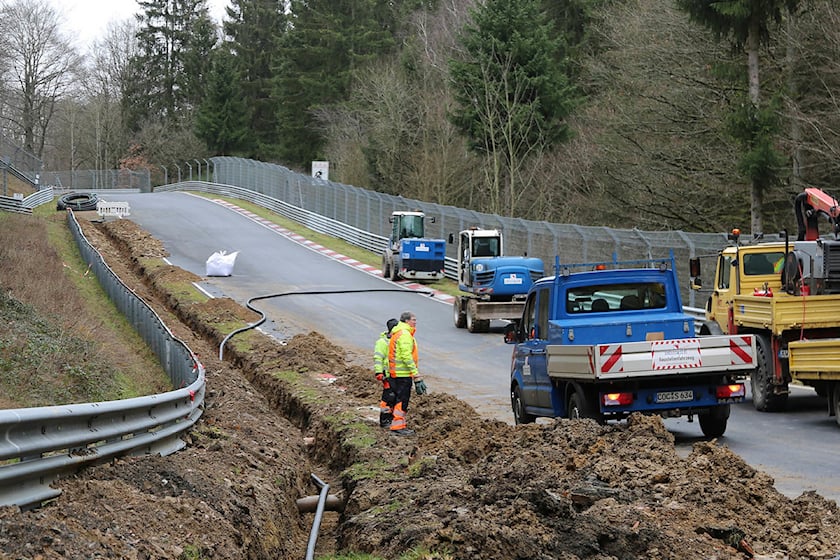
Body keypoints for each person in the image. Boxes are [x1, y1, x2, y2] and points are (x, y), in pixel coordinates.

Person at [387, 311, 428, 436]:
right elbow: (406, 356)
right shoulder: (405, 335)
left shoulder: (399, 332)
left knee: (398, 399)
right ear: (406, 321)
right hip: (402, 374)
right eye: (413, 320)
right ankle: (398, 426)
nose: (415, 322)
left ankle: (397, 423)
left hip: (397, 373)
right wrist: (415, 374)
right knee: (402, 400)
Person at [373, 318, 399, 428]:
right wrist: (379, 373)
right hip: (387, 375)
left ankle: (393, 418)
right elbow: (378, 358)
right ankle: (385, 420)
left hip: (397, 375)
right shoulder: (382, 342)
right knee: (388, 398)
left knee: (396, 398)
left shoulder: (398, 340)